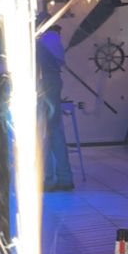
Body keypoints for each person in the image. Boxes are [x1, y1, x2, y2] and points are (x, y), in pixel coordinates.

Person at [36, 17, 75, 192]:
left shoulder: (44, 37)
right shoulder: (53, 38)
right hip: (51, 81)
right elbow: (59, 61)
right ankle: (64, 178)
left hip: (43, 82)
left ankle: (48, 179)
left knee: (43, 131)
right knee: (55, 130)